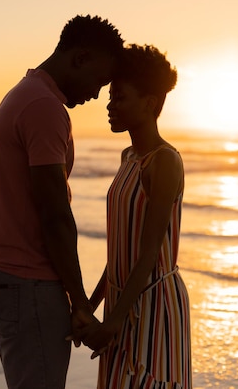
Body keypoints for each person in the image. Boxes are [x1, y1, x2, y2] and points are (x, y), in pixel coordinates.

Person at [0, 15, 124, 388]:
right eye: (98, 81)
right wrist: (79, 302)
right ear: (80, 57)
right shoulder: (44, 108)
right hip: (27, 278)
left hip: (10, 273)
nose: (95, 94)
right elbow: (54, 212)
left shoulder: (25, 95)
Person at [78, 45, 192, 388]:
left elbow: (148, 253)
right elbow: (120, 254)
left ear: (150, 103)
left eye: (119, 97)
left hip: (153, 304)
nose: (110, 105)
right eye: (110, 96)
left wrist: (110, 323)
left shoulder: (164, 161)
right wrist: (89, 307)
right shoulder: (129, 157)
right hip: (122, 301)